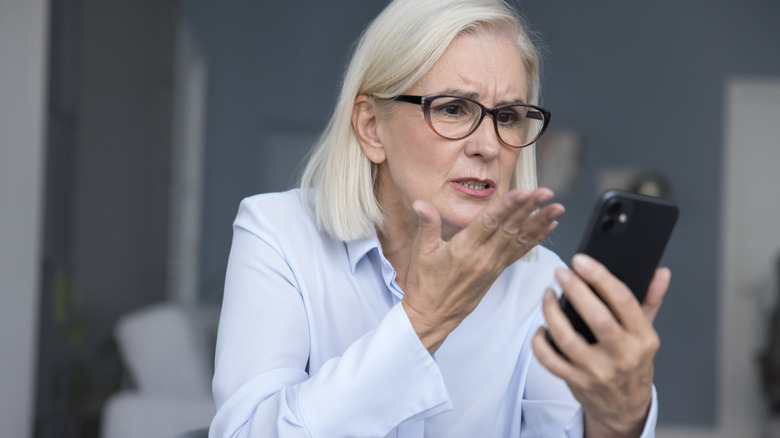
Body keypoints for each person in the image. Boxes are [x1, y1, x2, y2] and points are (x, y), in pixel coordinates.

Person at [209, 0, 670, 436]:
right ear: (372, 127)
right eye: (453, 109)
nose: (488, 146)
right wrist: (424, 320)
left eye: (507, 117)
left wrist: (619, 419)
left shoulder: (541, 284)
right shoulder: (278, 233)